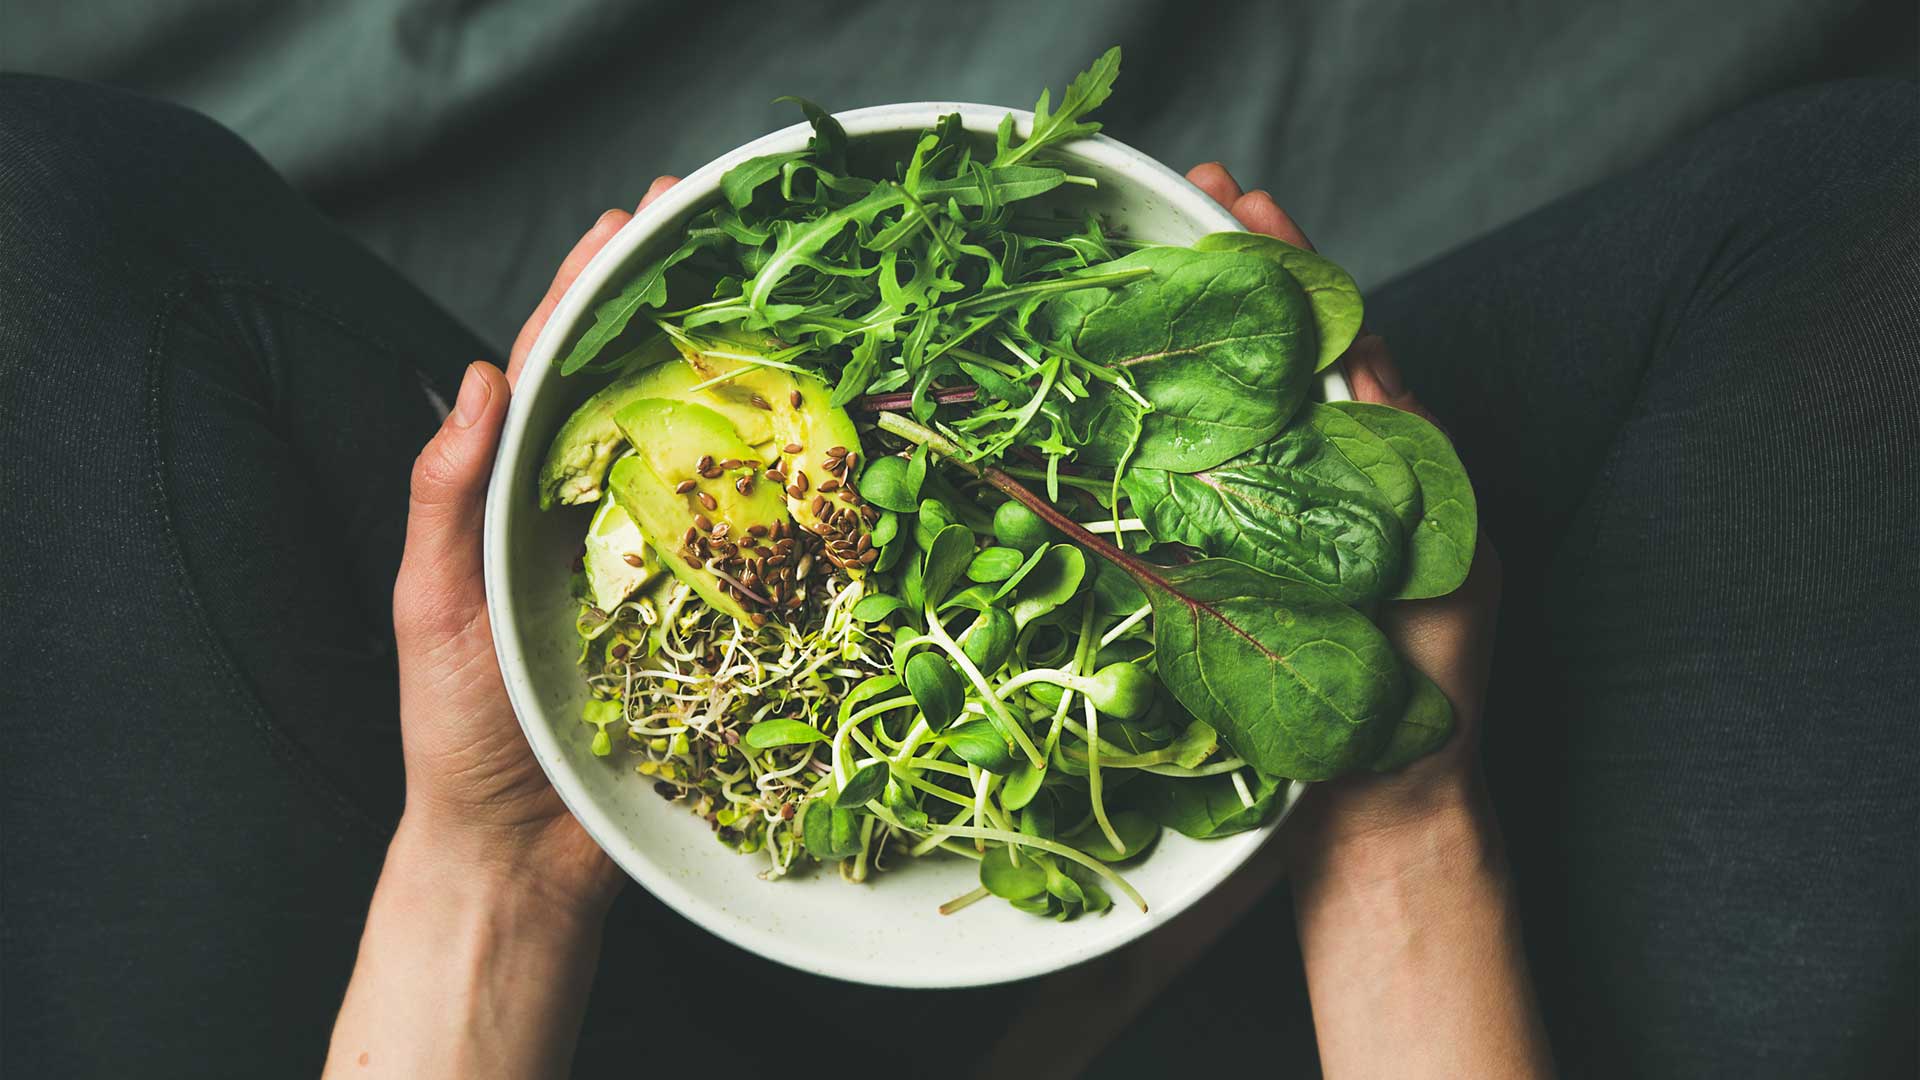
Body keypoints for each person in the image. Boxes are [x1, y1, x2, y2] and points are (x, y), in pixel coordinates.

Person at [1, 74, 1913, 1079]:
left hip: (569, 1025)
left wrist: (493, 865)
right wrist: (1397, 839)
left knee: (42, 227)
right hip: (1298, 1008)